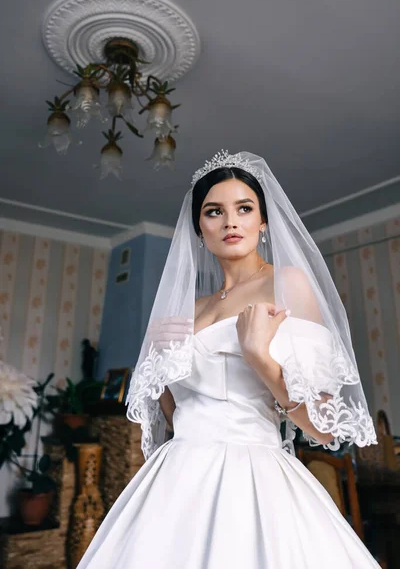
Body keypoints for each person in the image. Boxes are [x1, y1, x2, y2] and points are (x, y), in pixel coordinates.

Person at [77, 151, 379, 568]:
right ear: (200, 228)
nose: (230, 222)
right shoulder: (191, 307)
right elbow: (174, 414)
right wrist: (162, 366)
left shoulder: (287, 284)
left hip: (252, 476)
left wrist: (260, 359)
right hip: (177, 476)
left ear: (263, 221)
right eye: (214, 211)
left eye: (244, 208)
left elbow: (323, 428)